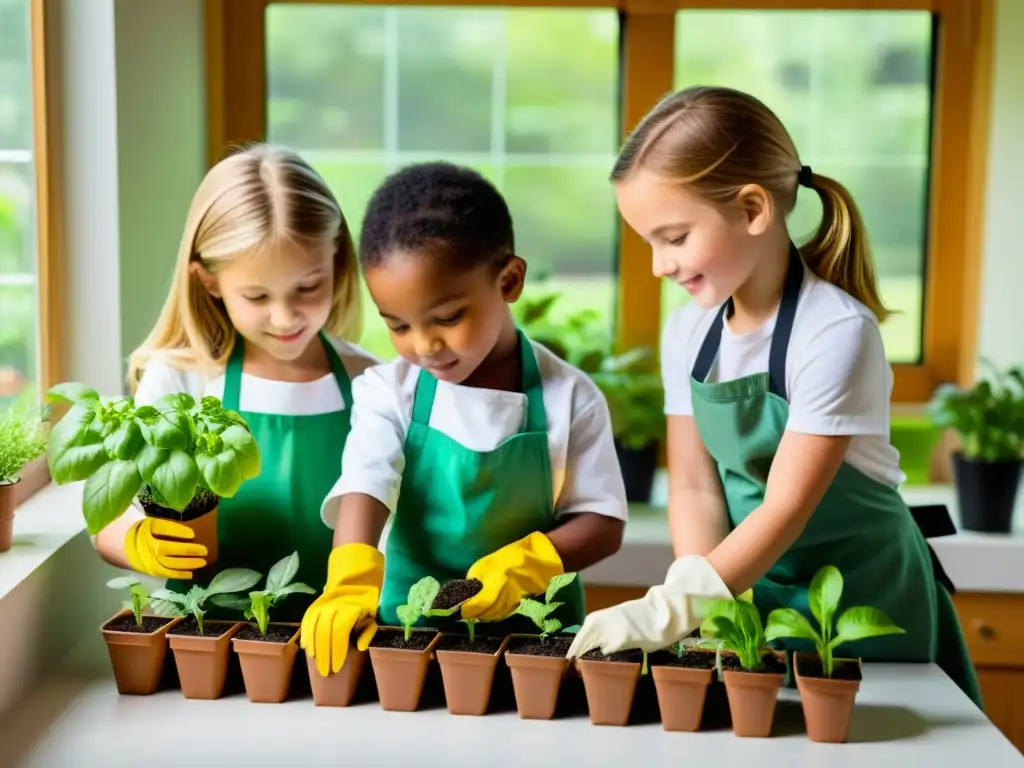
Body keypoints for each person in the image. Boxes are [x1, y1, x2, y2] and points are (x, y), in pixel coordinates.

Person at [564, 86, 982, 707]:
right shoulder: (688, 331)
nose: (658, 266)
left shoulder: (835, 333)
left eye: (674, 237)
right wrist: (703, 612)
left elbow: (786, 507)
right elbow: (694, 487)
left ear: (754, 209)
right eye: (647, 242)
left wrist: (671, 608)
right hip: (748, 592)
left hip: (869, 609)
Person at [300, 161, 628, 677]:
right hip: (409, 634)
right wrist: (349, 578)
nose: (425, 345)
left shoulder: (570, 396)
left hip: (536, 638)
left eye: (448, 318)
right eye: (398, 326)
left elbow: (603, 524)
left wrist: (525, 566)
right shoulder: (390, 390)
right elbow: (367, 481)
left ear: (510, 280)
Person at [94, 144, 377, 620]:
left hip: (339, 643)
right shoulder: (182, 379)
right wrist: (137, 542)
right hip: (206, 647)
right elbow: (109, 518)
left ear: (338, 261)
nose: (285, 316)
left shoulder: (371, 380)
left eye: (308, 287)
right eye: (257, 295)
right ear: (209, 282)